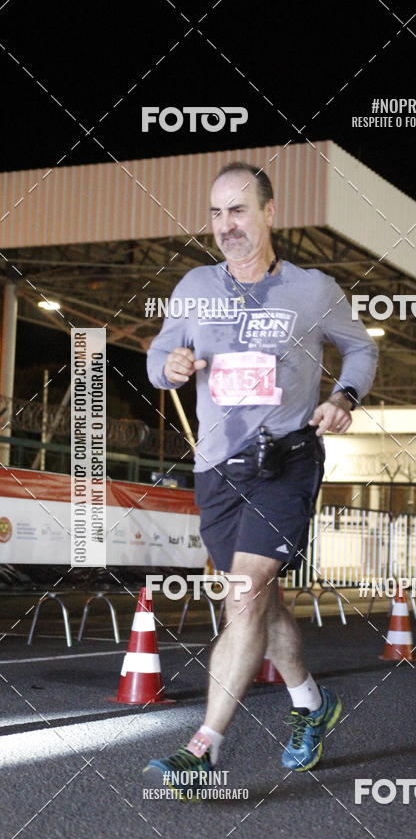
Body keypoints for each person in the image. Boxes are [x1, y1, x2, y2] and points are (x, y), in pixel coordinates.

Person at [143, 161, 378, 798]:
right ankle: (311, 700)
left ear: (270, 212)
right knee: (260, 602)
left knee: (242, 595)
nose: (227, 226)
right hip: (218, 468)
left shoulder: (313, 289)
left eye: (239, 210)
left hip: (285, 458)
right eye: (217, 213)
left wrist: (345, 397)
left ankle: (204, 747)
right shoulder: (194, 286)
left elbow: (360, 348)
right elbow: (157, 355)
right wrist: (171, 365)